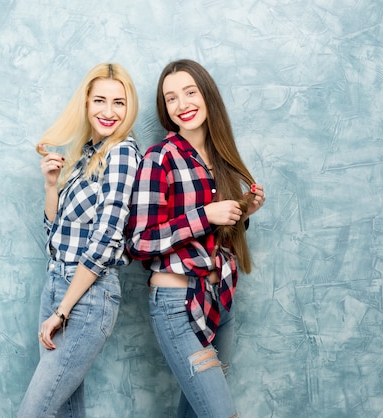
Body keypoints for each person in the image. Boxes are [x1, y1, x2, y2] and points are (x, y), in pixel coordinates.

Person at [126, 59, 265, 418]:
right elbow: (139, 242)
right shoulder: (159, 158)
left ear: (207, 96)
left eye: (190, 92)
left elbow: (217, 237)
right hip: (177, 305)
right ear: (165, 109)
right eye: (171, 98)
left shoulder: (222, 159)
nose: (182, 104)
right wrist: (205, 215)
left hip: (221, 302)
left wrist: (241, 215)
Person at [18, 63, 141, 418]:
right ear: (86, 103)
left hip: (86, 297)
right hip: (57, 283)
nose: (108, 111)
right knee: (65, 410)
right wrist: (52, 186)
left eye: (119, 102)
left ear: (129, 107)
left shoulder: (121, 154)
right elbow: (55, 233)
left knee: (35, 412)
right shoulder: (87, 154)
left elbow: (105, 240)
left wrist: (63, 310)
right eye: (99, 100)